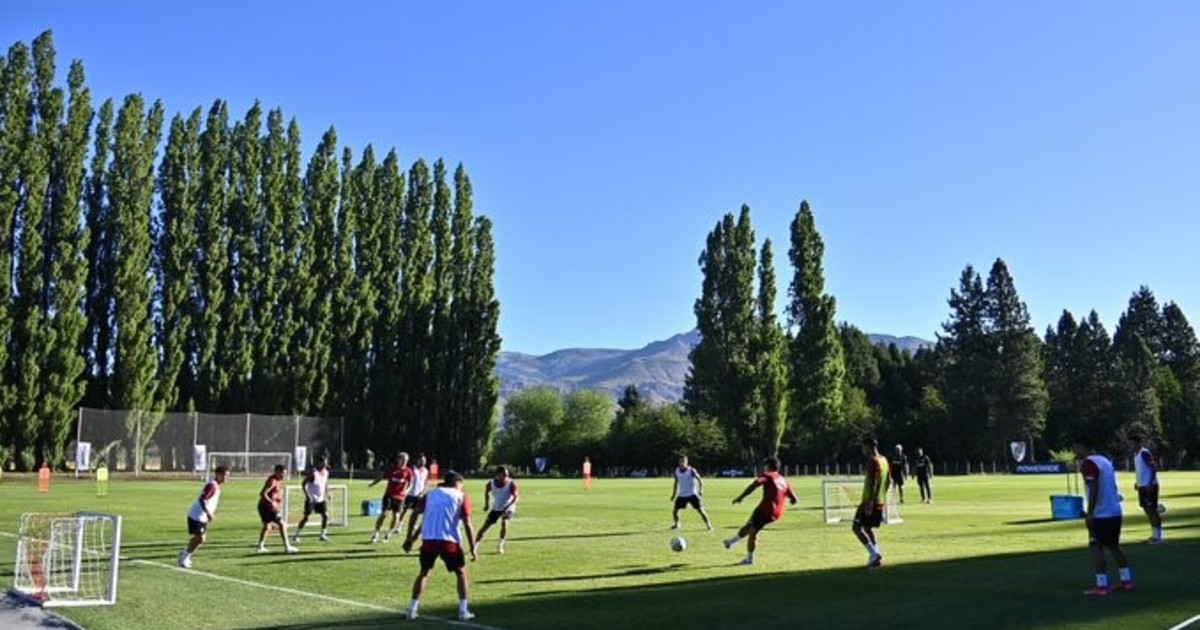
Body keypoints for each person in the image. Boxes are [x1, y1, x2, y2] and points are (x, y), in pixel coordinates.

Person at [402, 471, 479, 621]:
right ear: (456, 483)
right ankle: (463, 611)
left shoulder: (430, 495)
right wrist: (473, 547)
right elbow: (468, 524)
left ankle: (412, 609)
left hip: (429, 540)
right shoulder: (461, 496)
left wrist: (410, 538)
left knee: (424, 573)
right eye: (461, 485)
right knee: (461, 573)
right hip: (449, 541)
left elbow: (415, 514)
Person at [1074, 436, 1133, 595]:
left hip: (1101, 513)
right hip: (1115, 510)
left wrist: (1090, 512)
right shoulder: (1105, 461)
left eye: (1076, 448)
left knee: (1096, 547)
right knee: (1114, 545)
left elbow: (1093, 488)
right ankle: (1126, 580)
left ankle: (1101, 585)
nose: (1075, 451)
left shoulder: (1088, 463)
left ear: (1082, 446)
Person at [723, 456, 798, 566]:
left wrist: (741, 497)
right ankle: (731, 542)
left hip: (765, 510)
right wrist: (791, 500)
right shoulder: (783, 480)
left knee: (753, 532)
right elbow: (794, 499)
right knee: (750, 526)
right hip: (777, 513)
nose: (764, 468)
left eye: (765, 465)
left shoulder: (768, 475)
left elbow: (755, 484)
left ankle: (749, 559)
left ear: (768, 466)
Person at [179, 466, 229, 568]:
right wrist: (208, 513)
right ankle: (184, 557)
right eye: (225, 475)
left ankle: (185, 553)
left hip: (202, 517)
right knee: (200, 538)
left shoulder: (216, 486)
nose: (227, 478)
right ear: (218, 475)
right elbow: (202, 499)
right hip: (196, 516)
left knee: (200, 539)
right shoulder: (212, 486)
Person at [852, 436, 890, 568]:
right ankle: (876, 556)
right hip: (879, 501)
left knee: (856, 528)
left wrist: (870, 502)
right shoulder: (884, 460)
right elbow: (888, 481)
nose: (863, 450)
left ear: (869, 446)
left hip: (869, 501)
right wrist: (881, 497)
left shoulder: (873, 461)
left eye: (864, 447)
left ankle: (874, 554)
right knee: (867, 528)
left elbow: (874, 482)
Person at [368, 452, 413, 543]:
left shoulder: (408, 471)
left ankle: (389, 533)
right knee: (384, 514)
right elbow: (382, 476)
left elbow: (410, 483)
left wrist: (406, 491)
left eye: (406, 460)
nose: (404, 462)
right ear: (398, 460)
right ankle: (376, 533)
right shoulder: (392, 469)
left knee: (396, 516)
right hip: (389, 495)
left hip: (400, 498)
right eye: (403, 460)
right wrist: (373, 483)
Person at [475, 466, 519, 554]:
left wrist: (507, 507)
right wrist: (486, 504)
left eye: (507, 475)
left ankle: (500, 545)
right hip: (497, 507)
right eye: (504, 475)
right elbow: (487, 492)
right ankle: (475, 545)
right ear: (498, 475)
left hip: (508, 506)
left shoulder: (511, 483)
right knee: (485, 527)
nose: (506, 477)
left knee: (504, 523)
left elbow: (515, 497)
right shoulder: (491, 483)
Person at [257, 464, 297, 553]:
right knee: (282, 524)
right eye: (282, 473)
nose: (284, 476)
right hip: (267, 507)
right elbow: (263, 493)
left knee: (267, 526)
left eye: (285, 474)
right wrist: (271, 503)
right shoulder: (273, 481)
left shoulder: (278, 480)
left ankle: (260, 547)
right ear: (276, 472)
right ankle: (287, 547)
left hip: (263, 506)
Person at [1131, 435, 1163, 545]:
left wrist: (1150, 482)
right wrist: (1138, 482)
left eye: (1134, 443)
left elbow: (1153, 467)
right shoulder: (1136, 455)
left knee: (1152, 510)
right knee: (1147, 511)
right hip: (1142, 486)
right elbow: (1141, 470)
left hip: (1150, 486)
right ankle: (1154, 535)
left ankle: (1158, 537)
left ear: (1139, 442)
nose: (1132, 445)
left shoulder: (1144, 453)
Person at [670, 455, 714, 531]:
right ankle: (677, 524)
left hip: (692, 494)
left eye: (683, 461)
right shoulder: (677, 471)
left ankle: (709, 525)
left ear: (687, 462)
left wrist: (701, 490)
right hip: (682, 495)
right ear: (679, 462)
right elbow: (676, 483)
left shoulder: (691, 470)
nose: (682, 463)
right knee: (675, 511)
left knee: (701, 510)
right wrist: (673, 494)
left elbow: (699, 479)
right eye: (681, 461)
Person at [293, 455, 331, 543]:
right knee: (307, 518)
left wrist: (327, 493)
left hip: (321, 499)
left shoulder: (326, 472)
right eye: (323, 463)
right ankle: (296, 535)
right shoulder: (313, 473)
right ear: (319, 463)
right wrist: (307, 495)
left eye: (326, 463)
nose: (325, 465)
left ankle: (323, 535)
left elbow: (325, 483)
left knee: (325, 515)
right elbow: (303, 484)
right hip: (312, 499)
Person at [403, 453, 430, 523]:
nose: (423, 462)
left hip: (419, 495)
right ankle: (400, 524)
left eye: (424, 460)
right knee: (404, 510)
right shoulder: (412, 469)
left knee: (417, 511)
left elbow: (426, 482)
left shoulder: (426, 471)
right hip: (410, 493)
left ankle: (414, 524)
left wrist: (424, 492)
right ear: (417, 460)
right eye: (421, 460)